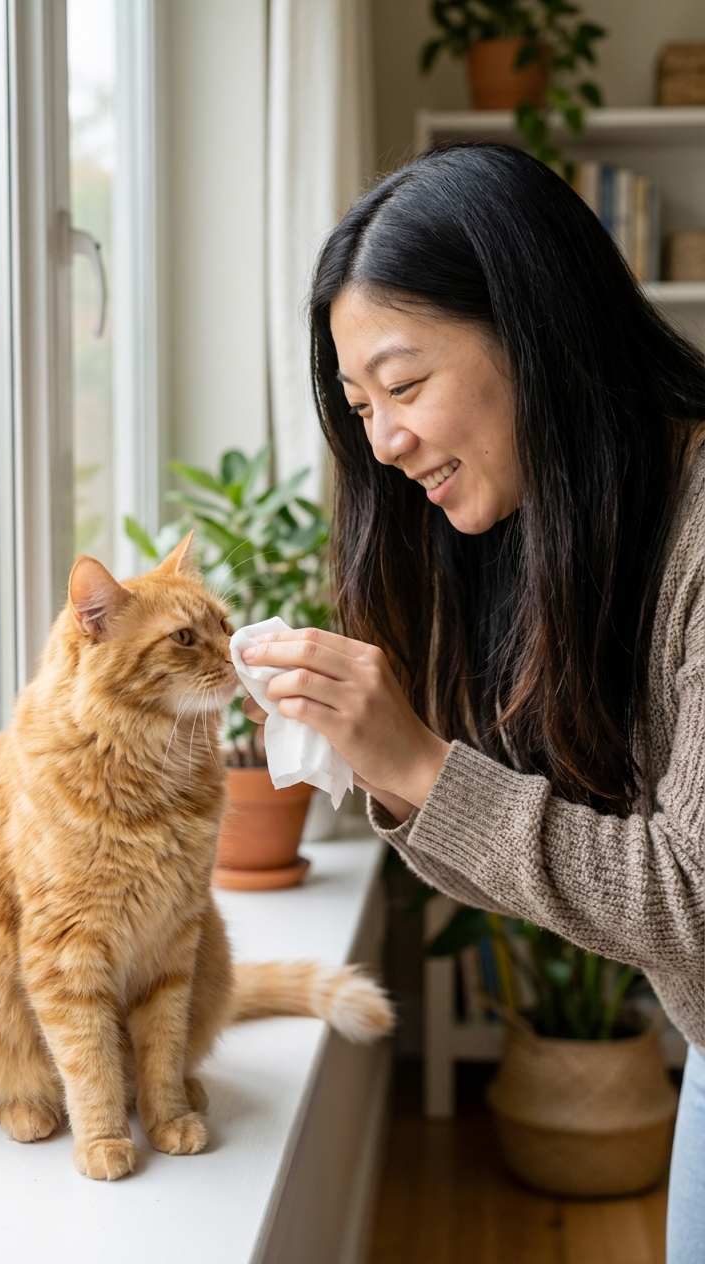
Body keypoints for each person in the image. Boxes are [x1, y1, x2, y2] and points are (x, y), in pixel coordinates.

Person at [240, 144, 705, 1262]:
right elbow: (557, 840)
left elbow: (690, 901)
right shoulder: (585, 523)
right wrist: (380, 760)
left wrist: (415, 766)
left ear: (536, 331)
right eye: (359, 406)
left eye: (404, 385)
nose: (385, 442)